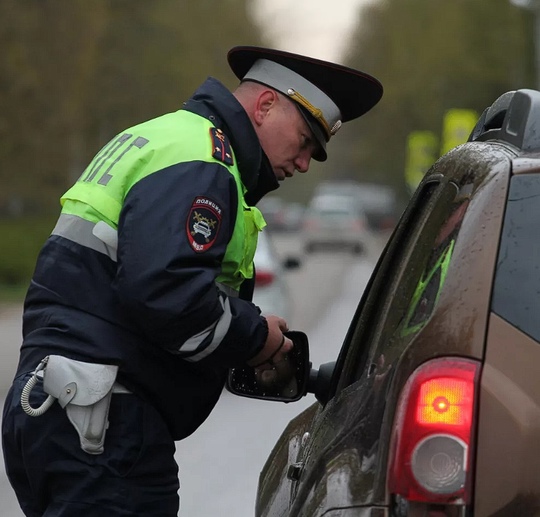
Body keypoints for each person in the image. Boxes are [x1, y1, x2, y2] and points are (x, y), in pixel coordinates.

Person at [2, 45, 383, 516]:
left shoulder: (159, 137)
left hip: (55, 407)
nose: (304, 162)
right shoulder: (203, 159)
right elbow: (168, 295)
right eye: (305, 140)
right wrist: (257, 337)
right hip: (105, 427)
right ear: (265, 107)